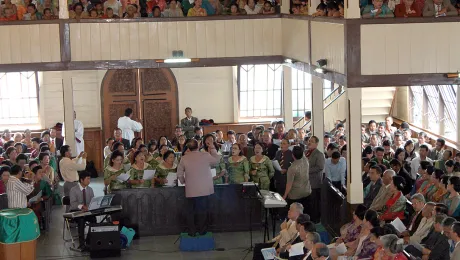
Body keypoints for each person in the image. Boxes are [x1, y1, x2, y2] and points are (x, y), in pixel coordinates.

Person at [177, 139, 221, 236]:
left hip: (191, 189)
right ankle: (202, 231)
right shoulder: (205, 155)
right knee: (203, 211)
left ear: (188, 147)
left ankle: (192, 231)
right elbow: (217, 160)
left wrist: (183, 181)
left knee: (191, 211)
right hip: (204, 189)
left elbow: (179, 173)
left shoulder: (184, 158)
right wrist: (212, 147)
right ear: (199, 146)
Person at [69, 171, 96, 251]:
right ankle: (81, 244)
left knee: (94, 219)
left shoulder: (90, 189)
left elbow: (92, 201)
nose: (89, 181)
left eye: (89, 179)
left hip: (87, 212)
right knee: (81, 220)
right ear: (81, 180)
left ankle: (88, 241)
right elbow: (73, 203)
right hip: (75, 211)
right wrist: (82, 206)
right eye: (87, 179)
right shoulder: (73, 190)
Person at [283, 146, 311, 211]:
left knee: (295, 216)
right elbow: (302, 154)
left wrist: (285, 195)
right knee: (305, 213)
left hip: (295, 195)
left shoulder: (292, 168)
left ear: (292, 155)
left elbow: (289, 185)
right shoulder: (305, 160)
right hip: (306, 192)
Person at [305, 136, 324, 223]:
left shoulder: (319, 154)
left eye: (312, 141)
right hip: (306, 182)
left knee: (314, 203)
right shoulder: (306, 152)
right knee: (308, 203)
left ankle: (315, 220)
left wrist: (306, 170)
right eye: (309, 141)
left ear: (316, 144)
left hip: (314, 183)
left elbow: (320, 167)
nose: (309, 142)